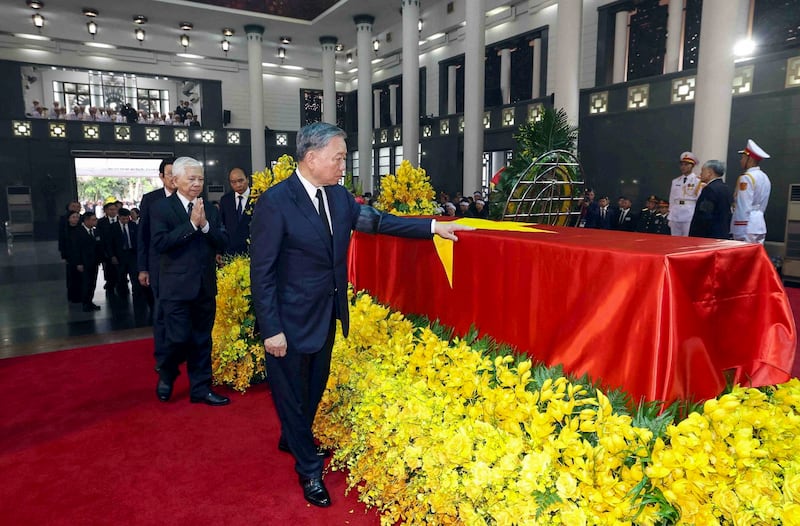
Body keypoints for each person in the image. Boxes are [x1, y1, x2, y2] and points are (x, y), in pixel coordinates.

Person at [249, 122, 472, 508]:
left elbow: (378, 221)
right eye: (337, 158)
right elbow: (262, 271)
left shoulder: (337, 197)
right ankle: (308, 470)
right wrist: (271, 329)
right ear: (312, 156)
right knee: (289, 394)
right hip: (286, 322)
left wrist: (434, 227)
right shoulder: (275, 202)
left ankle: (293, 434)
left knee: (312, 390)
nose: (342, 166)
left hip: (326, 315)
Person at [150, 157, 229, 406]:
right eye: (191, 178)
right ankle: (168, 371)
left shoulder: (210, 209)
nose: (197, 184)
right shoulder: (161, 208)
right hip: (175, 288)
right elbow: (161, 243)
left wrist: (205, 225)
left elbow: (222, 242)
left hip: (204, 286)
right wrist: (191, 225)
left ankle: (200, 388)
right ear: (175, 180)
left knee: (201, 340)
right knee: (177, 339)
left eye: (200, 179)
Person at [138, 157, 177, 381]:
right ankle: (163, 358)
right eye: (169, 173)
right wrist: (143, 268)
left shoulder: (191, 197)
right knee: (161, 313)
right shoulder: (151, 200)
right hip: (158, 267)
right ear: (161, 176)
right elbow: (142, 236)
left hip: (184, 268)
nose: (173, 177)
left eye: (176, 173)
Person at [731, 139, 771, 244]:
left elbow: (743, 205)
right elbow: (763, 204)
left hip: (746, 226)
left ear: (750, 159)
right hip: (759, 224)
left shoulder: (747, 178)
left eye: (743, 157)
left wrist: (739, 229)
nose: (741, 161)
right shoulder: (764, 177)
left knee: (743, 258)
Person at [689, 160, 733, 239]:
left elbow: (704, 214)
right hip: (722, 232)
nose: (700, 174)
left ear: (709, 173)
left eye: (703, 171)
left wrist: (696, 234)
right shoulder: (726, 188)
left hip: (709, 235)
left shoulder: (709, 189)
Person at [70, 212, 102, 312]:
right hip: (84, 262)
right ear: (86, 220)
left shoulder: (95, 231)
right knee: (86, 283)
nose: (95, 221)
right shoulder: (78, 232)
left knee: (93, 283)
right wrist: (78, 262)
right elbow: (75, 249)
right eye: (93, 219)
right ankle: (85, 303)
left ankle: (90, 301)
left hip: (94, 262)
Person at [218, 167, 252, 256]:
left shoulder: (258, 197)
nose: (238, 185)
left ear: (247, 179)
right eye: (233, 182)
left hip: (254, 251)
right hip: (231, 252)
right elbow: (221, 226)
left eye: (241, 181)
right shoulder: (225, 200)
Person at [668, 151, 701, 236]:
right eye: (682, 164)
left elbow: (699, 199)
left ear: (692, 166)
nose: (683, 167)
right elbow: (672, 199)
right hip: (676, 213)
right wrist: (670, 215)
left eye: (686, 164)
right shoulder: (675, 181)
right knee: (675, 240)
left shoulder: (698, 181)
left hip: (689, 213)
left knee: (687, 240)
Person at [111, 208, 139, 295]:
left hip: (132, 254)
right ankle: (122, 293)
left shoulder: (133, 225)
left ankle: (137, 292)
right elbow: (110, 242)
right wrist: (112, 255)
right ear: (119, 217)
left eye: (127, 218)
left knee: (134, 274)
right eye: (123, 219)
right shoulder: (113, 227)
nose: (126, 220)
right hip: (120, 255)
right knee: (121, 275)